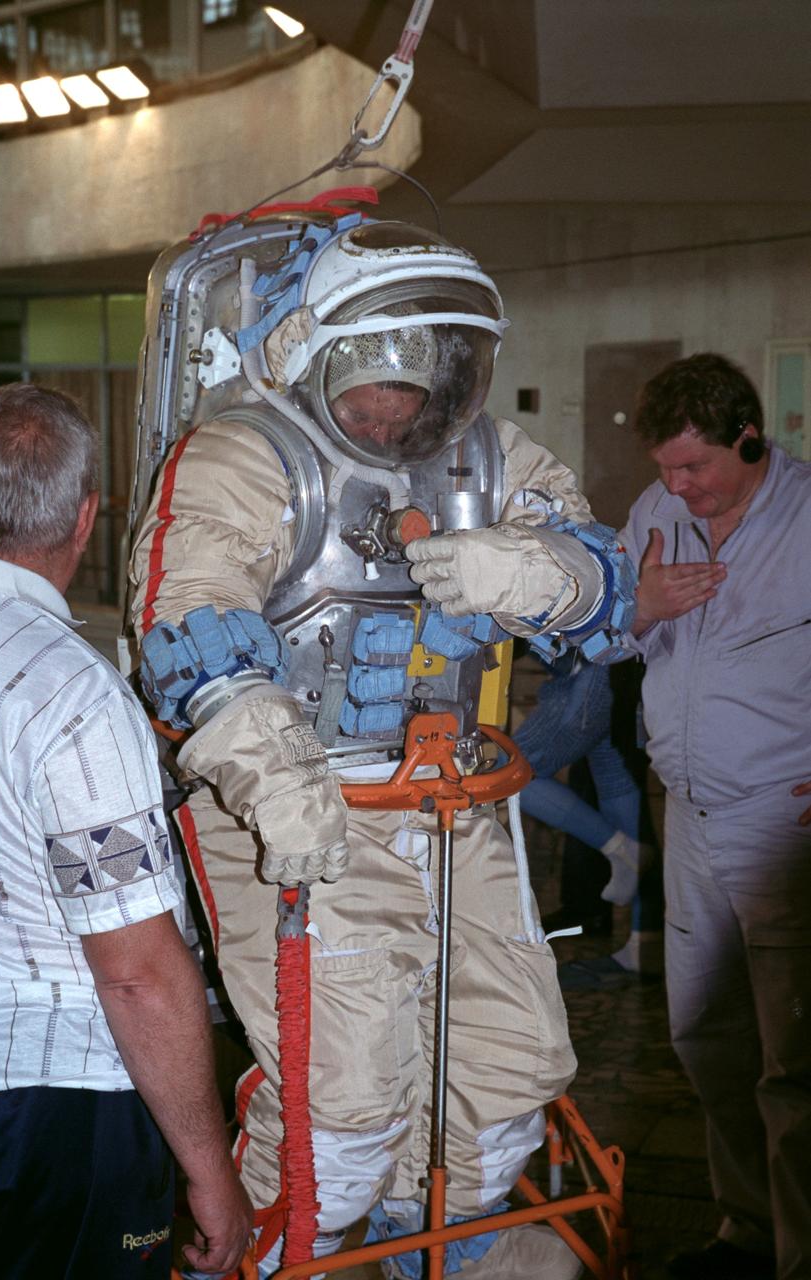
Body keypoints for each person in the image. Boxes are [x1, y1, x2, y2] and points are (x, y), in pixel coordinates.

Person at [126, 211, 637, 1279]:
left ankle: (432, 1250)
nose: (396, 405)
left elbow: (608, 589)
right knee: (341, 1107)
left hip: (452, 804)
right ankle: (278, 1257)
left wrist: (539, 574)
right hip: (299, 812)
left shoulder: (489, 458)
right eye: (375, 373)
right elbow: (190, 622)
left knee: (510, 1070)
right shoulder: (241, 457)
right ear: (310, 348)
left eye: (425, 374)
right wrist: (275, 773)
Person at [0, 383, 253, 1280]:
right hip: (50, 1106)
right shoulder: (67, 692)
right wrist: (210, 1172)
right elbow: (134, 972)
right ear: (88, 516)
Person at [620, 352, 811, 1280]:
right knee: (706, 1038)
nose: (675, 487)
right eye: (662, 469)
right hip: (688, 813)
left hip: (787, 825)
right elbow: (597, 631)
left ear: (749, 436)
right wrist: (635, 607)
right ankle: (744, 1231)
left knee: (796, 1065)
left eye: (693, 467)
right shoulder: (658, 516)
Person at [513, 654, 663, 986]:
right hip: (613, 665)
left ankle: (623, 851)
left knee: (511, 775)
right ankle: (645, 948)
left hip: (589, 667)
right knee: (618, 787)